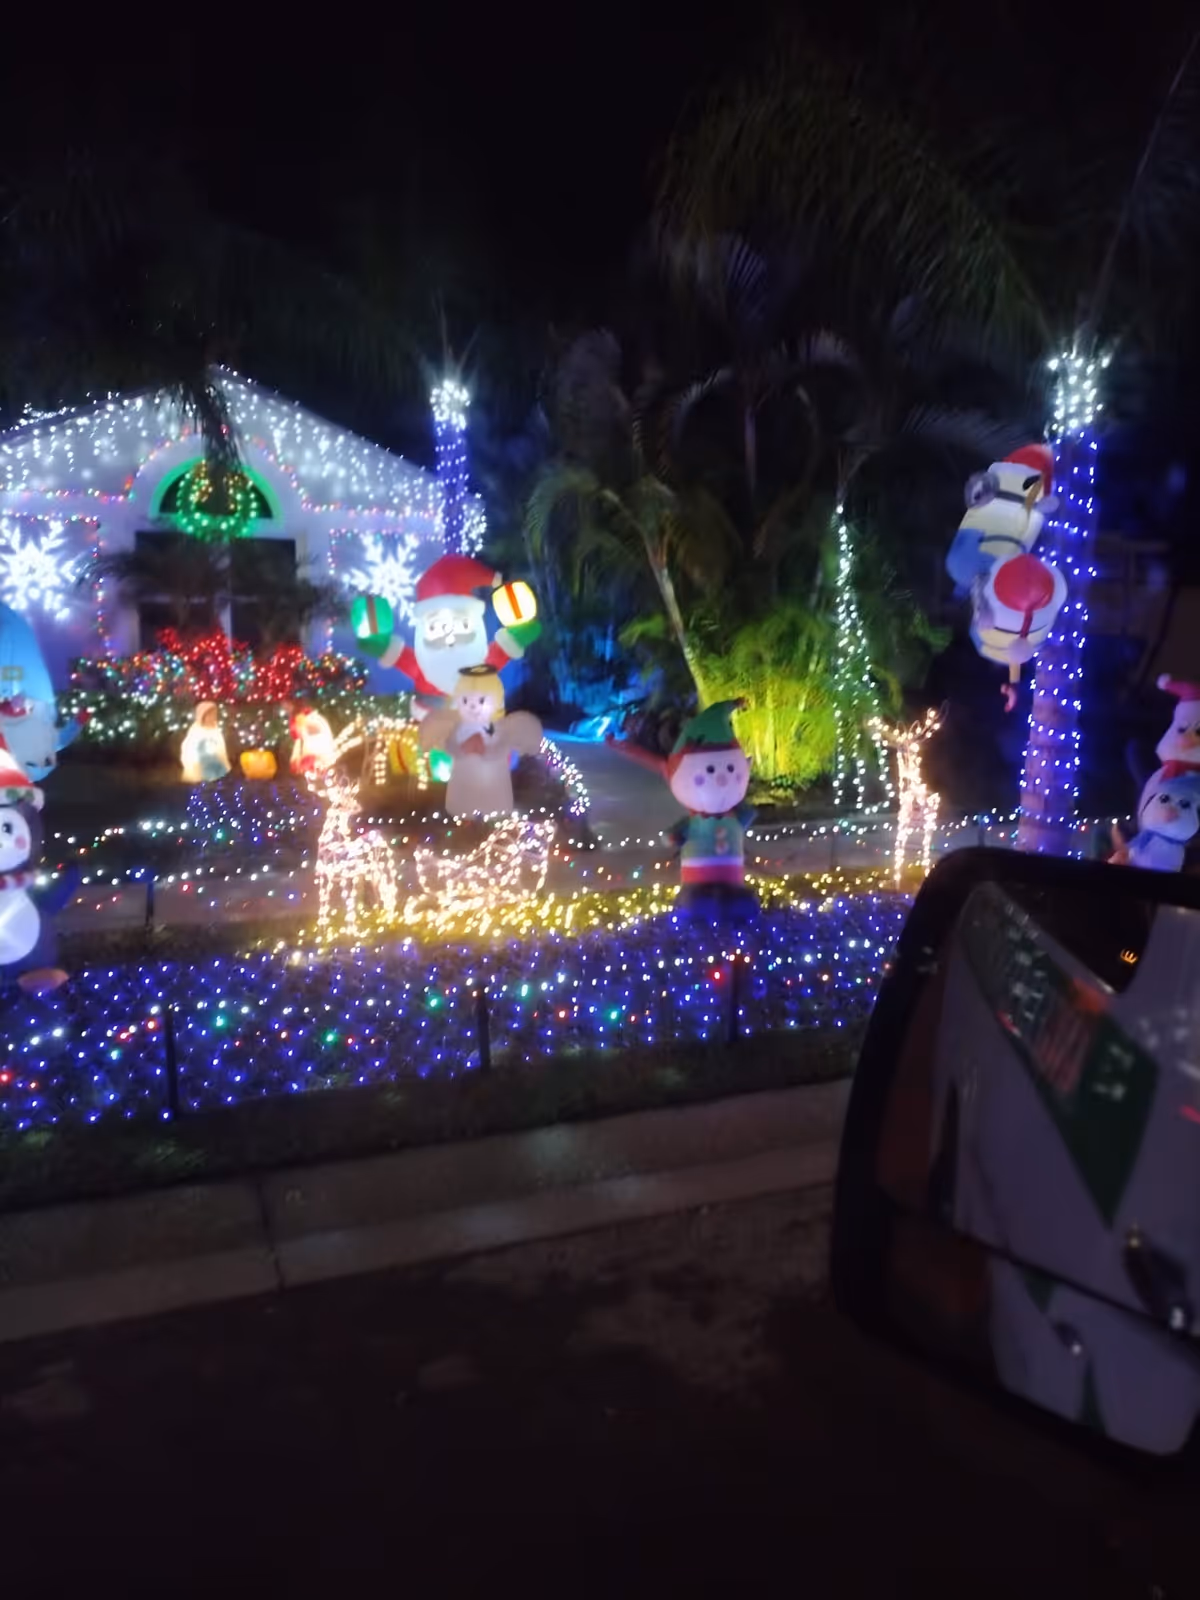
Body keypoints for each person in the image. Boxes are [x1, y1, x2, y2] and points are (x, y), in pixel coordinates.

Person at [180, 702, 231, 783]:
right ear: (202, 717)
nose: (212, 718)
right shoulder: (195, 731)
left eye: (214, 715)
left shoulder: (216, 731)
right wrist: (194, 761)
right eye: (209, 715)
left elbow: (221, 749)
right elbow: (189, 749)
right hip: (199, 767)